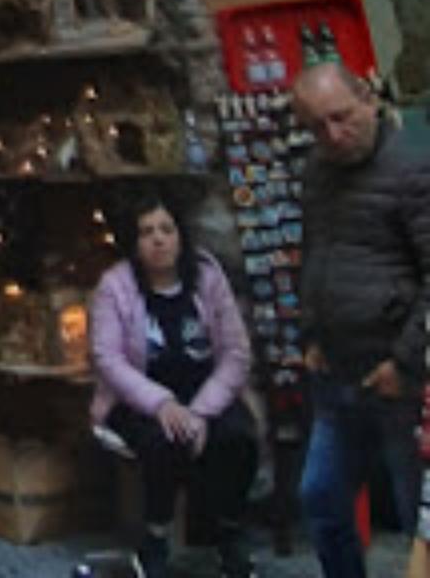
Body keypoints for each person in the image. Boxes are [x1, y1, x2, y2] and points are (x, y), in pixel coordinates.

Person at [294, 62, 430, 578]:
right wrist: (311, 333)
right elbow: (315, 253)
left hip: (398, 377)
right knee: (322, 499)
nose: (334, 135)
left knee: (418, 516)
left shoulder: (412, 170)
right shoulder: (318, 172)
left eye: (341, 117)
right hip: (338, 370)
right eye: (318, 126)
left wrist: (406, 361)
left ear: (367, 99)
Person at [90, 189, 258, 578]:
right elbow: (108, 359)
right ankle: (155, 537)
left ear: (181, 236)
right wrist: (161, 404)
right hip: (137, 397)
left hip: (205, 392)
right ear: (134, 242)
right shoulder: (115, 286)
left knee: (238, 437)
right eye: (147, 232)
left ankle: (228, 531)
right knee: (163, 442)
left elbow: (236, 352)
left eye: (166, 230)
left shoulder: (208, 278)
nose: (158, 240)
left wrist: (200, 412)